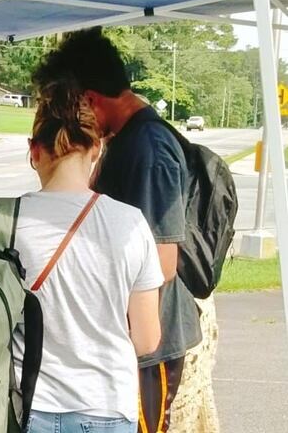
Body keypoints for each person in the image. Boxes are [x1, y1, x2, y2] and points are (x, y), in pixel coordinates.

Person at [31, 27, 208, 433]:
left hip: (145, 350)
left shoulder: (148, 148)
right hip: (120, 348)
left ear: (90, 99)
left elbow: (162, 263)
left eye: (74, 108)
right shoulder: (128, 141)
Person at [0, 76, 162, 432]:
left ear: (34, 150)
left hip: (27, 407)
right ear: (97, 149)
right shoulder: (130, 223)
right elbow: (147, 339)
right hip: (107, 408)